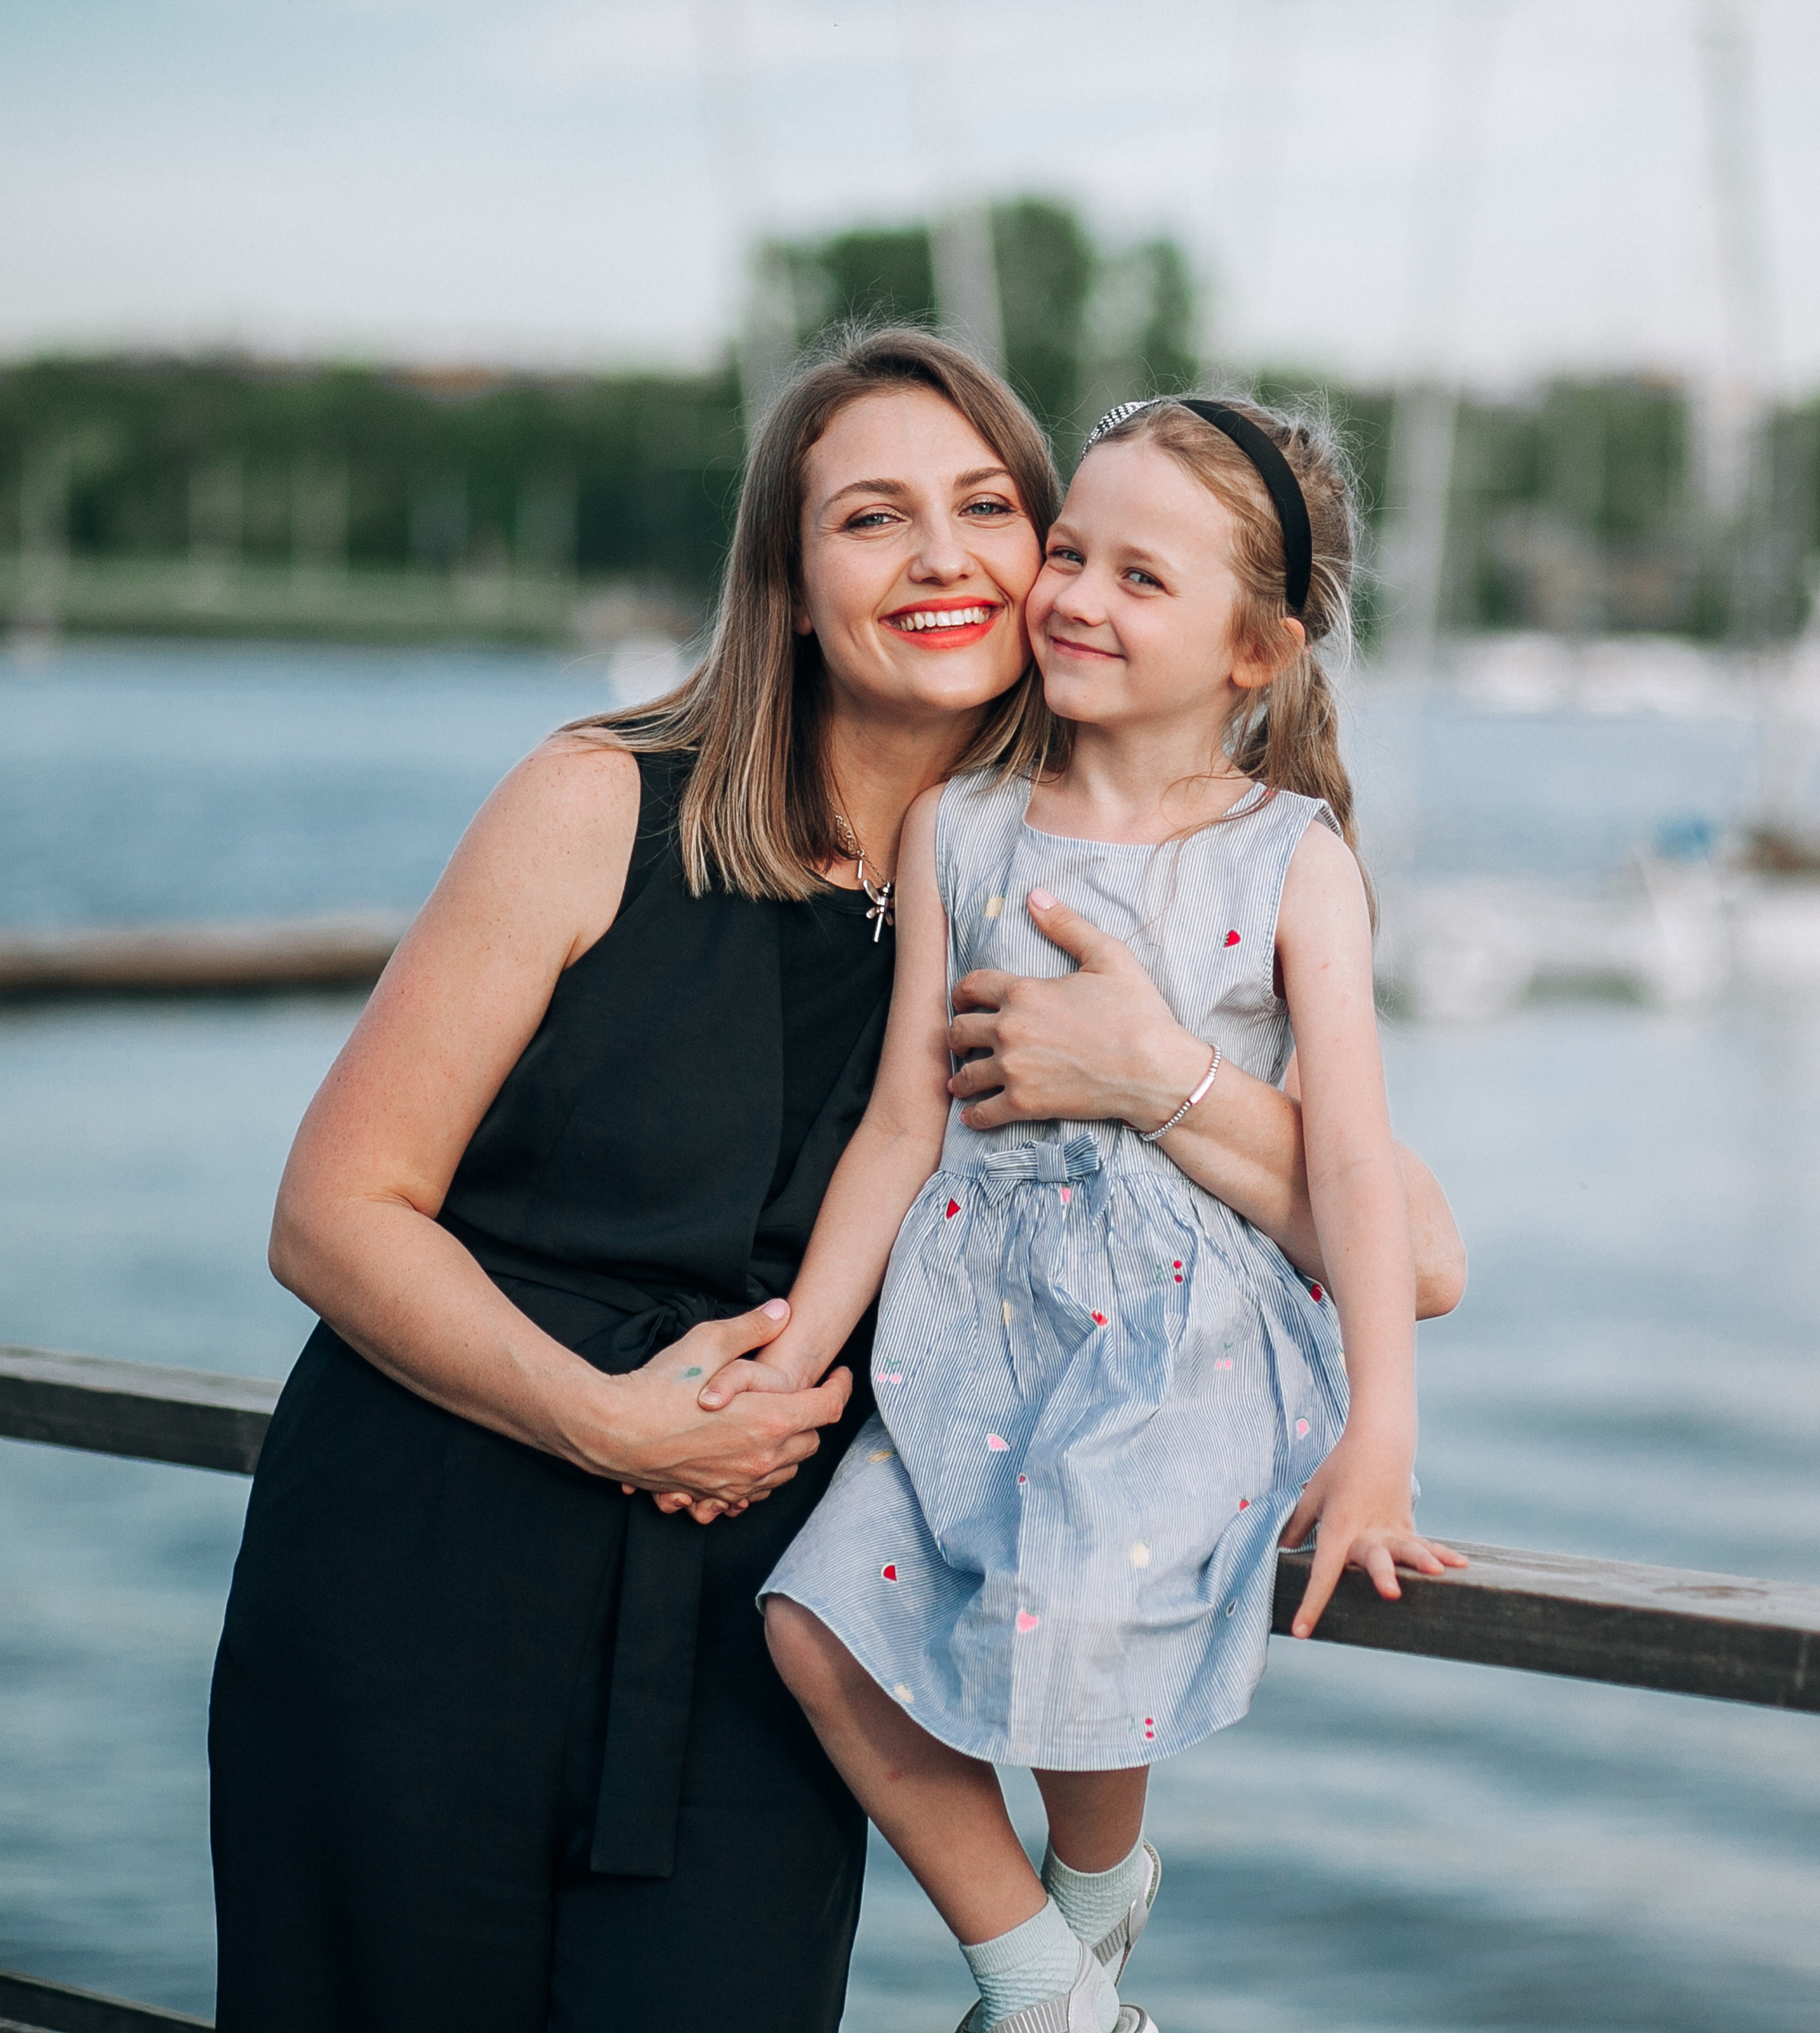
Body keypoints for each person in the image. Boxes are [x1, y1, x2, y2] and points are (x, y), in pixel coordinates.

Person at [207, 330, 1464, 2033]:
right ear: (791, 584)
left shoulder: (1078, 873)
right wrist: (606, 1416)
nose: (947, 556)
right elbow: (330, 1213)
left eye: (989, 508)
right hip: (433, 1583)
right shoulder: (601, 806)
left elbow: (1424, 1250)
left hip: (761, 1635)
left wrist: (1149, 1076)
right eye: (872, 517)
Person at [747, 394, 1465, 2033]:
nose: (1070, 595)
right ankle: (1055, 1987)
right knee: (811, 1625)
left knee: (1080, 1632)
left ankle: (1084, 1903)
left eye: (1142, 578)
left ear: (1254, 649)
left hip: (1179, 1345)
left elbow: (1352, 1163)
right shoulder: (966, 825)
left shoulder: (1295, 860)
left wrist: (1381, 1435)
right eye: (1069, 552)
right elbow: (895, 1129)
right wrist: (802, 1347)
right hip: (968, 1324)